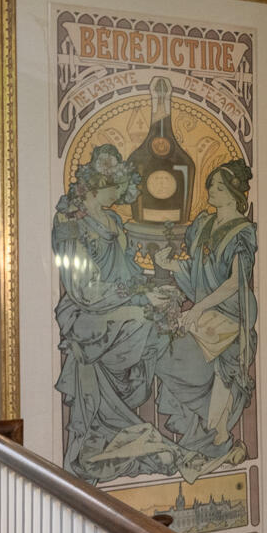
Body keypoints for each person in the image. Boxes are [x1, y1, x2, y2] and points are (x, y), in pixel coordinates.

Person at [51, 146, 170, 477]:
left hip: (116, 304)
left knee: (156, 324)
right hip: (85, 313)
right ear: (99, 185)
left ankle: (119, 430)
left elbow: (127, 273)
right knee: (143, 320)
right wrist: (140, 301)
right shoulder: (70, 223)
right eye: (118, 189)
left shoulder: (114, 219)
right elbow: (84, 290)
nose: (122, 195)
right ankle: (104, 433)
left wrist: (149, 289)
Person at [152, 158, 260, 472]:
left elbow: (234, 283)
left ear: (234, 193)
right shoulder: (204, 224)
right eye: (211, 184)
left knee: (210, 372)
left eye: (219, 186)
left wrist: (199, 308)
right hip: (206, 309)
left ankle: (217, 434)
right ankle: (204, 435)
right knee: (168, 357)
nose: (211, 190)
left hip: (231, 313)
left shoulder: (242, 233)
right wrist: (172, 265)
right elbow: (198, 272)